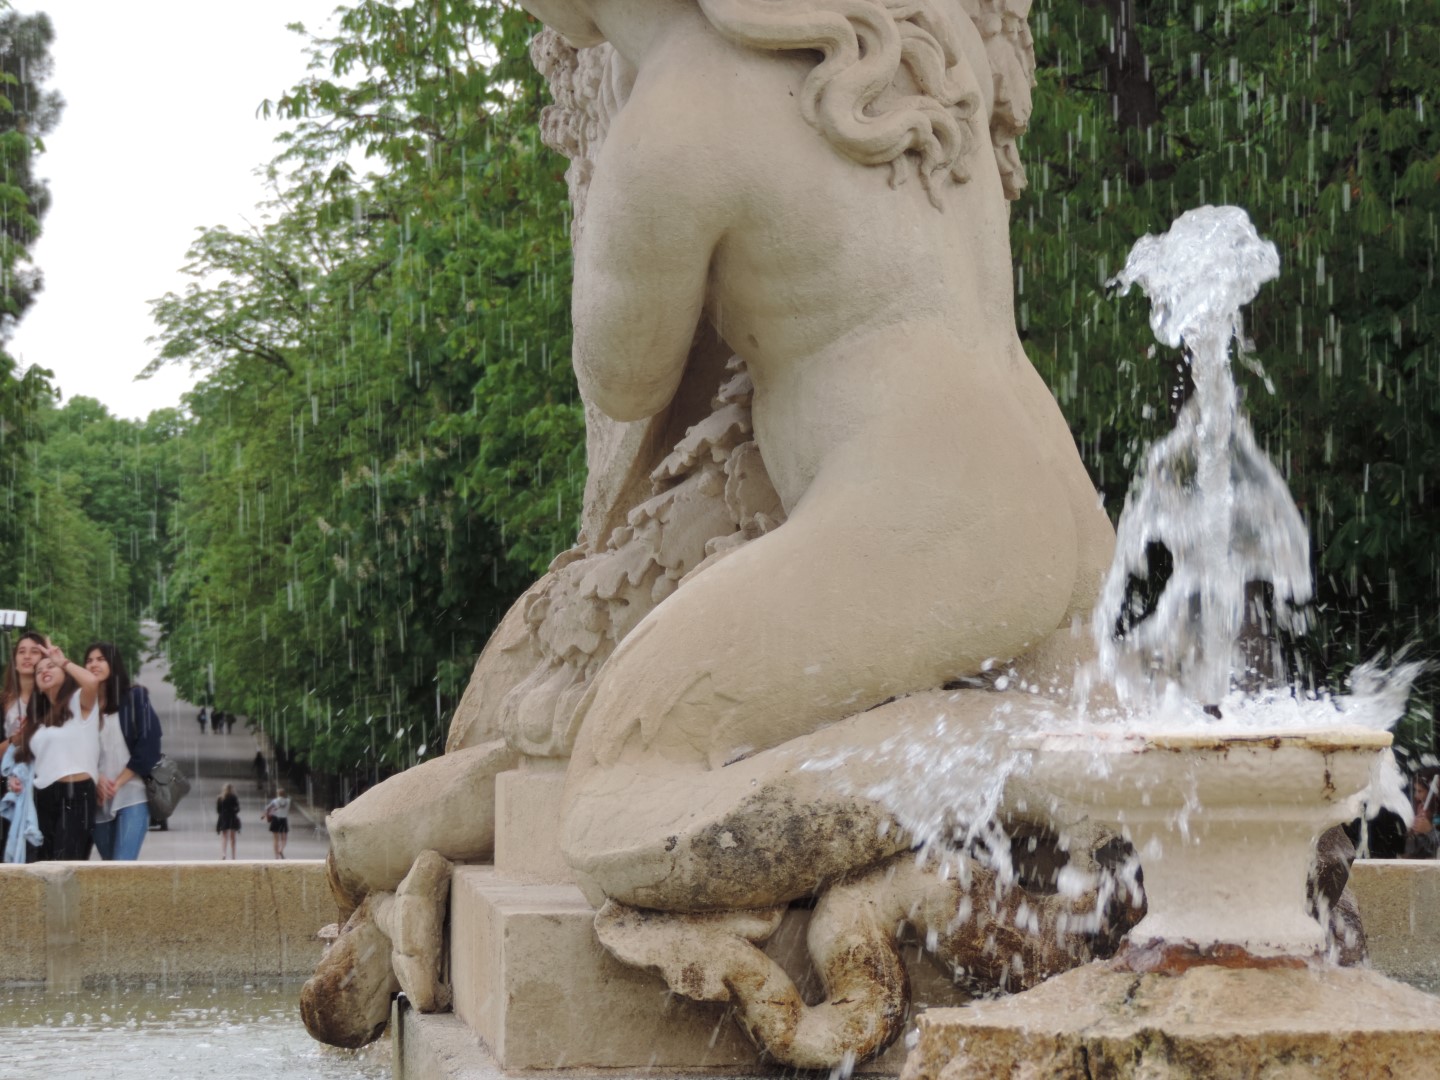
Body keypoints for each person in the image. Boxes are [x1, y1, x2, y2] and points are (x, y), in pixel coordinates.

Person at [10, 643, 101, 860]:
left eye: (51, 667)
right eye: (39, 671)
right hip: (43, 794)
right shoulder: (38, 722)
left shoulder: (79, 703)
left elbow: (92, 681)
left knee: (68, 863)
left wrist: (64, 662)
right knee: (43, 862)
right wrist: (16, 777)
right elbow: (25, 760)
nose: (44, 672)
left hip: (77, 792)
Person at [86, 642, 162, 860]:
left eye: (100, 660)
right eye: (89, 660)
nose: (94, 664)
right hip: (98, 800)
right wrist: (98, 779)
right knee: (110, 870)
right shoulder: (83, 706)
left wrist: (117, 783)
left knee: (123, 865)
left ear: (113, 664)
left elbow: (150, 745)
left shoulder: (134, 698)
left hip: (132, 795)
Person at [0, 631, 46, 854]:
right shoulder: (2, 702)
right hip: (7, 789)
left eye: (35, 651)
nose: (27, 657)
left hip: (42, 787)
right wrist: (14, 740)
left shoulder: (52, 699)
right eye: (21, 651)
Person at [1404, 768, 1439, 859]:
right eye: (1415, 790)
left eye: (1420, 791)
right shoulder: (1421, 809)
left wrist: (1429, 830)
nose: (1416, 796)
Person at [263, 788, 290, 859]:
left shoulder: (274, 801)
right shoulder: (288, 801)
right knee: (284, 838)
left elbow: (267, 808)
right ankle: (280, 850)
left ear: (278, 794)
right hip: (284, 820)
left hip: (276, 820)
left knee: (276, 839)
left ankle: (276, 856)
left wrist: (266, 814)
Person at [216, 783, 241, 859]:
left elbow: (218, 810)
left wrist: (223, 813)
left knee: (224, 837)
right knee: (233, 838)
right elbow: (238, 808)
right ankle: (233, 855)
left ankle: (224, 853)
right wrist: (233, 811)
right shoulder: (234, 797)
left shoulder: (220, 798)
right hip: (232, 817)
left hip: (224, 817)